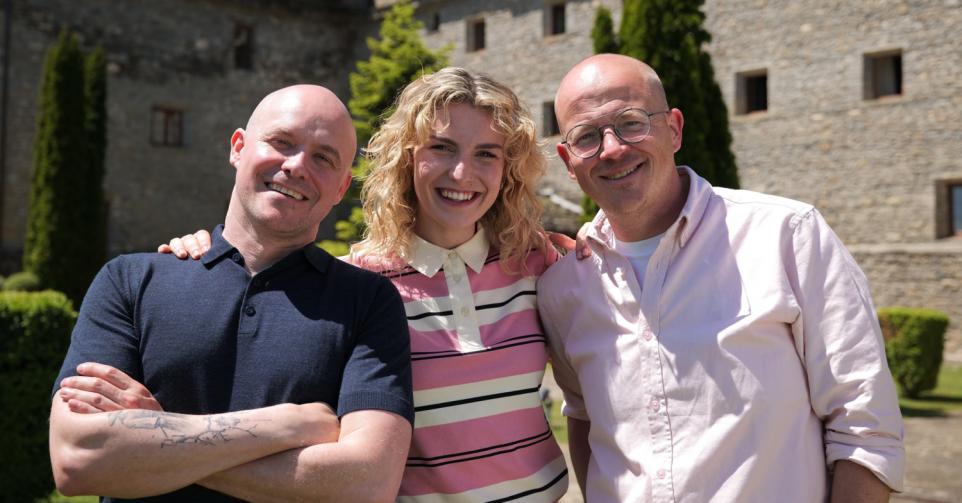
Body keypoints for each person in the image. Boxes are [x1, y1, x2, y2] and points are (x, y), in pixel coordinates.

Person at [75, 68, 571, 501]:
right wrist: (201, 255)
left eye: (487, 153)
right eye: (441, 147)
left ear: (508, 169)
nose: (462, 172)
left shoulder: (541, 263)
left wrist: (164, 447)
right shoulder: (358, 286)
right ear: (407, 158)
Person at [537, 53, 905, 502]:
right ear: (567, 159)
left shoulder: (786, 237)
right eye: (587, 136)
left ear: (674, 129)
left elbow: (865, 430)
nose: (612, 148)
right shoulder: (564, 289)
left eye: (631, 122)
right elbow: (584, 419)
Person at [49, 85, 414, 502]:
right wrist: (286, 425)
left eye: (323, 158)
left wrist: (159, 434)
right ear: (238, 147)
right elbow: (77, 459)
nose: (297, 165)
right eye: (282, 142)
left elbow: (368, 484)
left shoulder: (367, 301)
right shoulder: (129, 280)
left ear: (341, 187)